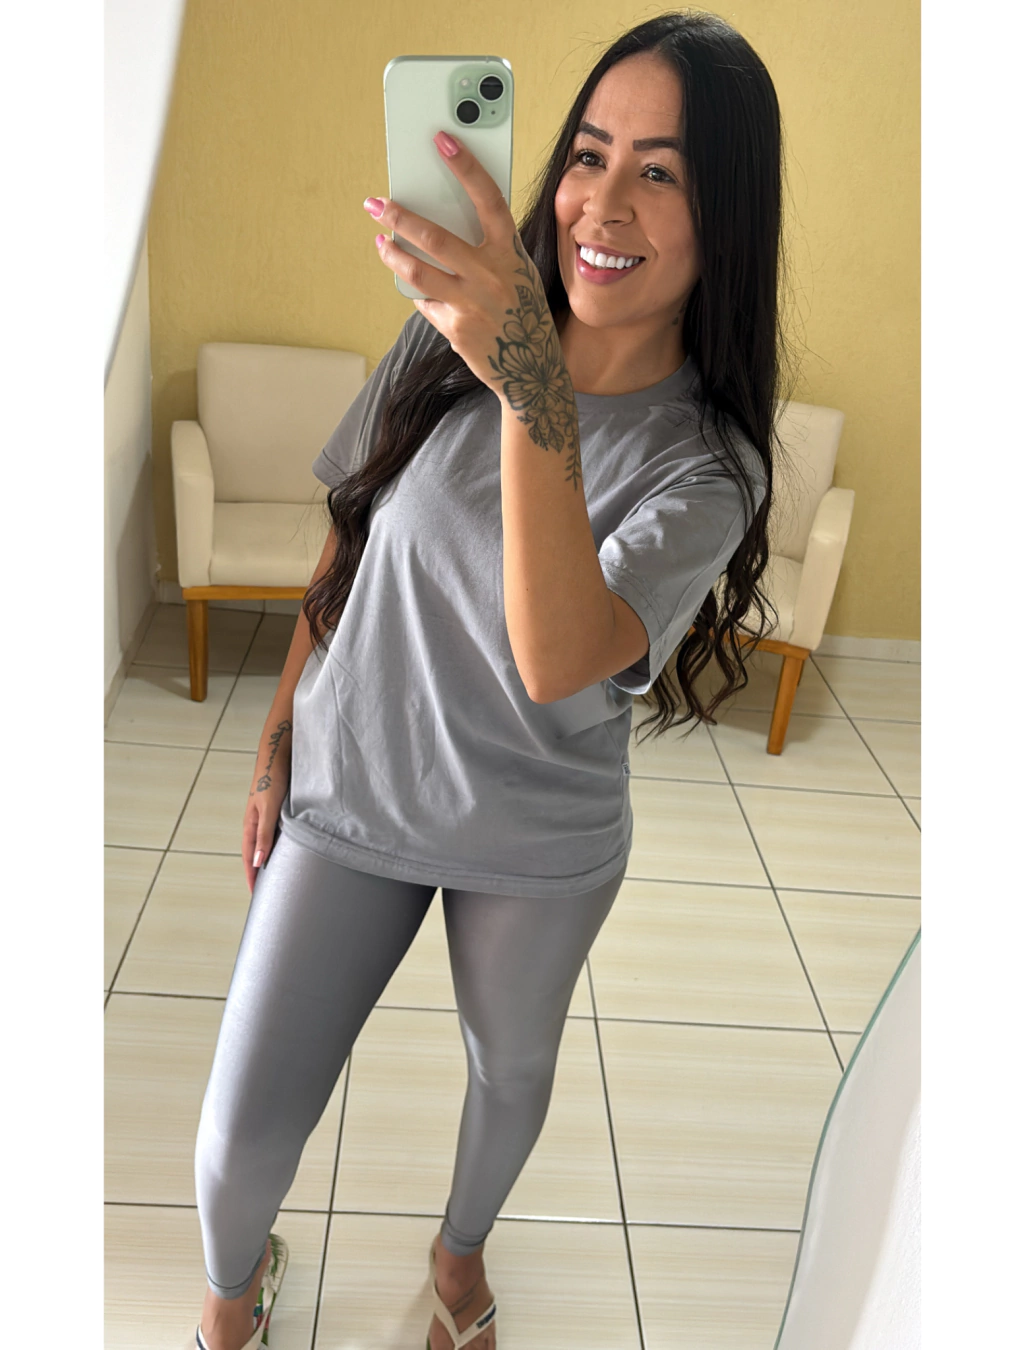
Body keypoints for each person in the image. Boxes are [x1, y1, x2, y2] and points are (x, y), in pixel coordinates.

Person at [189, 10, 788, 1350]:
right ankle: (231, 1301)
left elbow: (558, 652)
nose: (603, 203)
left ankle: (458, 1258)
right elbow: (350, 536)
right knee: (237, 1130)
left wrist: (527, 380)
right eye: (589, 153)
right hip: (356, 782)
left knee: (508, 1071)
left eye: (661, 172)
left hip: (538, 830)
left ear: (727, 218)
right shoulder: (449, 335)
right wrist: (279, 730)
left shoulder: (708, 465)